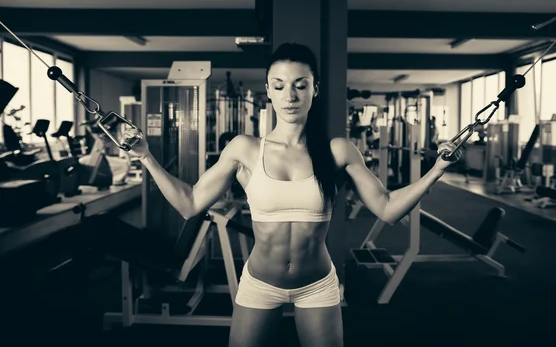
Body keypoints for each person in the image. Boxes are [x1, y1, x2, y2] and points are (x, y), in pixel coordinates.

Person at [124, 42, 463, 347]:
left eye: (301, 85)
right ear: (269, 92)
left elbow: (387, 209)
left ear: (315, 89)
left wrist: (437, 170)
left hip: (317, 284)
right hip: (259, 282)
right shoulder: (245, 148)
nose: (290, 96)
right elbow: (190, 203)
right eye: (280, 86)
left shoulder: (338, 150)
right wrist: (145, 156)